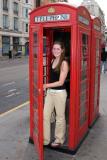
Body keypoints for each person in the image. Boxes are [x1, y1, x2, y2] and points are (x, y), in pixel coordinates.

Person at [43, 41, 69, 148]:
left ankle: (59, 139)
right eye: (54, 48)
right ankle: (45, 139)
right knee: (45, 116)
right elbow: (51, 76)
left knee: (60, 117)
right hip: (50, 93)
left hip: (59, 93)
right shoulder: (53, 60)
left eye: (58, 49)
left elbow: (60, 82)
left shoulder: (64, 63)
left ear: (62, 50)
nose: (56, 51)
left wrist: (46, 85)